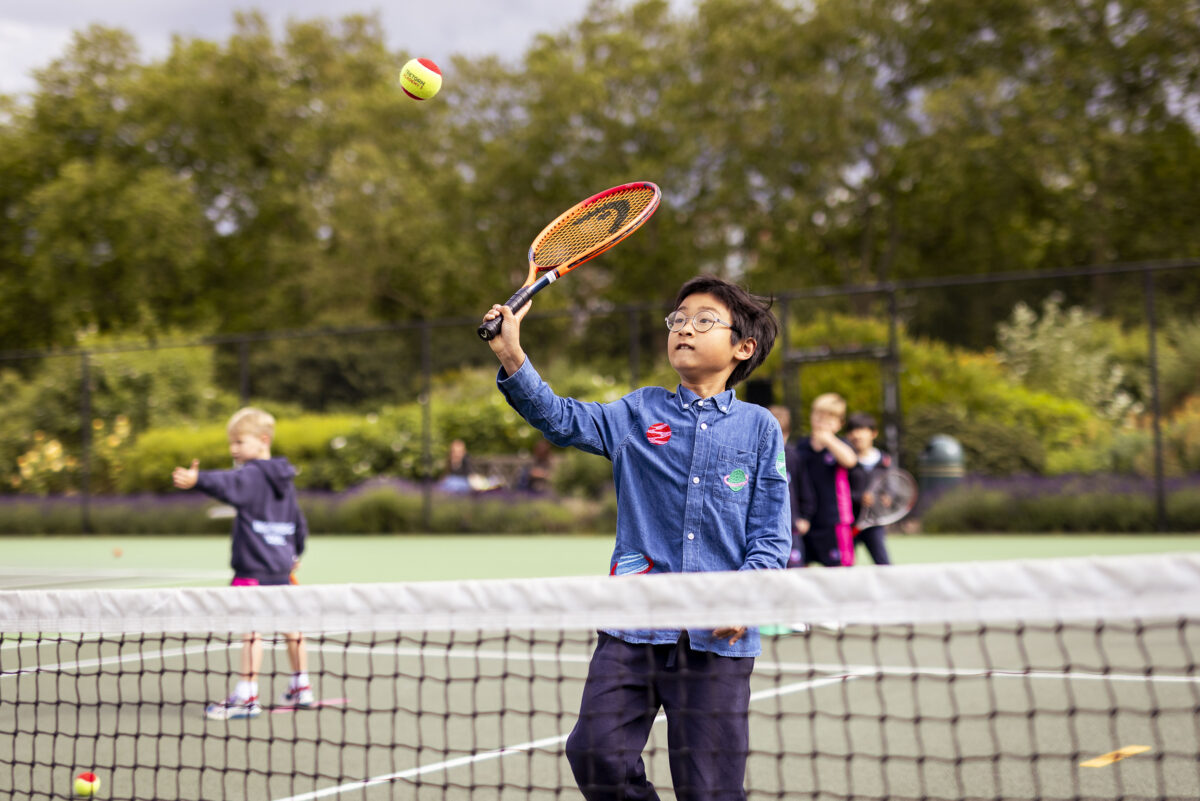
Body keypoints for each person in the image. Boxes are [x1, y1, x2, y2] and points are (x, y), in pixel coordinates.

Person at [481, 275, 790, 801]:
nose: (684, 329)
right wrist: (513, 357)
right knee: (594, 751)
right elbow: (561, 419)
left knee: (711, 790)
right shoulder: (637, 411)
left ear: (744, 347)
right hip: (633, 627)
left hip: (717, 639)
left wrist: (748, 595)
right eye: (678, 319)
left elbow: (769, 534)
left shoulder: (760, 428)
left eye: (703, 320)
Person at [171, 407, 313, 720]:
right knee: (292, 627)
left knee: (251, 630)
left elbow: (228, 484)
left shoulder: (251, 474)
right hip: (281, 568)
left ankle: (247, 696)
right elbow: (297, 519)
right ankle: (301, 686)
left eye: (239, 442)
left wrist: (197, 479)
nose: (233, 449)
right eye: (231, 443)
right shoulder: (283, 478)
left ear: (263, 440)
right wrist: (295, 552)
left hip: (252, 569)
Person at [793, 393, 858, 567]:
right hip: (807, 520)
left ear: (839, 424)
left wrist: (829, 440)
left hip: (834, 520)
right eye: (819, 416)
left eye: (829, 419)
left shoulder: (841, 445)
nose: (822, 422)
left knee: (841, 570)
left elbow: (850, 460)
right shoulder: (801, 446)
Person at [845, 412, 893, 565]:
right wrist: (859, 498)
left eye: (861, 430)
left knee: (884, 564)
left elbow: (889, 487)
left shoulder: (884, 460)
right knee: (845, 567)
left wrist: (887, 498)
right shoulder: (844, 461)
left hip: (874, 524)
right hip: (849, 523)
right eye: (852, 431)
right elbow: (838, 492)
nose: (856, 435)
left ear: (873, 433)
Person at [769, 404, 807, 568]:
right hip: (766, 528)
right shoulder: (755, 455)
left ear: (788, 433)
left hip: (791, 528)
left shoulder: (793, 456)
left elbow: (804, 489)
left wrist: (805, 517)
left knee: (795, 573)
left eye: (782, 434)